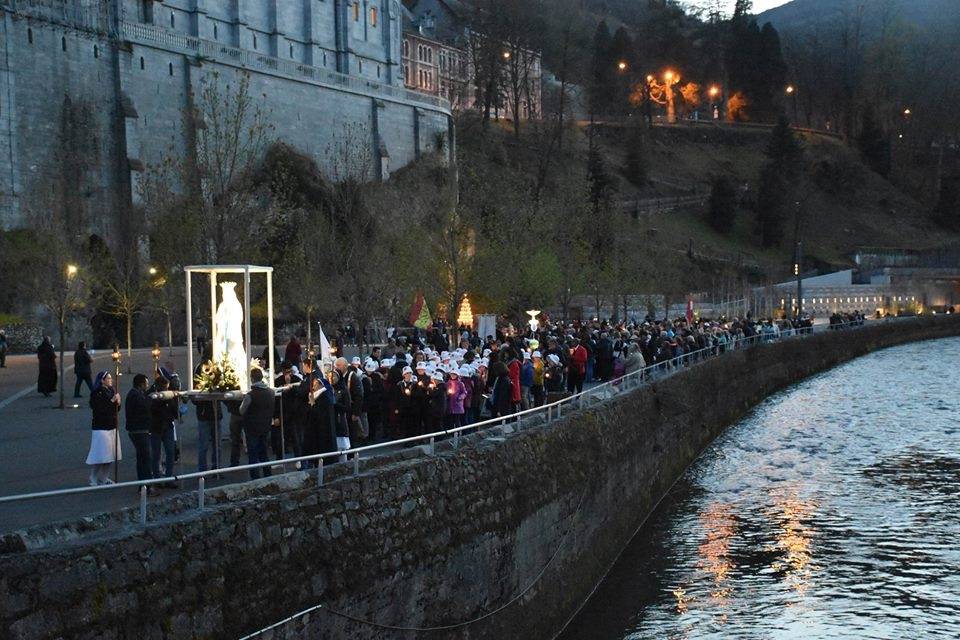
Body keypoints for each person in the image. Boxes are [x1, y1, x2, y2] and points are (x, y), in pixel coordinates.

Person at [86, 371, 121, 485]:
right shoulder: (97, 393)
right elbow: (101, 409)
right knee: (101, 455)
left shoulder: (110, 391)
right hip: (101, 427)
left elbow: (115, 409)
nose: (111, 380)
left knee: (110, 455)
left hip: (111, 425)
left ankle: (104, 477)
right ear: (102, 380)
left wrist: (118, 403)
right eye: (109, 378)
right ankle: (93, 477)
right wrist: (112, 401)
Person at [240, 367, 275, 479]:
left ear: (252, 379)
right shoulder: (270, 392)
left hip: (252, 428)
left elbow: (242, 410)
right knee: (264, 453)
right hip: (265, 426)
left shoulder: (250, 395)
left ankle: (255, 478)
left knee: (253, 455)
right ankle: (268, 475)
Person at [149, 376, 179, 486]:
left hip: (168, 426)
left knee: (170, 452)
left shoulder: (170, 397)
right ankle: (156, 478)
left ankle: (169, 477)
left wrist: (178, 412)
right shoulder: (153, 397)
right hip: (156, 427)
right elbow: (152, 410)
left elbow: (175, 411)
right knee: (156, 454)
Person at [125, 373, 153, 484]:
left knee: (142, 458)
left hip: (136, 429)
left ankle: (142, 483)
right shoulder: (136, 396)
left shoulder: (133, 394)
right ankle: (145, 484)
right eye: (146, 383)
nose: (147, 385)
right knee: (145, 458)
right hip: (139, 430)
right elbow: (145, 407)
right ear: (141, 384)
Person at [273, 362, 303, 462]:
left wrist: (291, 386)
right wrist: (275, 416)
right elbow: (275, 400)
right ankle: (279, 459)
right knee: (280, 438)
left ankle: (299, 459)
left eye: (290, 372)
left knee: (296, 438)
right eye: (286, 372)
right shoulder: (277, 381)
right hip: (282, 413)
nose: (288, 374)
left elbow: (300, 394)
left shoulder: (297, 380)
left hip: (295, 413)